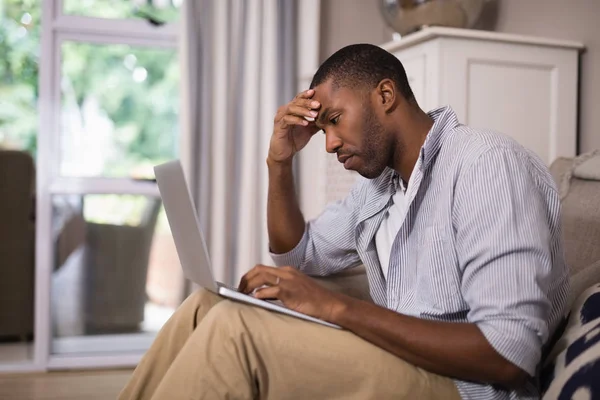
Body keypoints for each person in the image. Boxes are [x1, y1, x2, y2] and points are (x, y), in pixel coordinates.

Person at [119, 44, 568, 400]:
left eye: (335, 121)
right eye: (323, 131)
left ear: (385, 96)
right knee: (207, 309)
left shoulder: (485, 165)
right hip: (402, 363)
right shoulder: (382, 189)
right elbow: (296, 252)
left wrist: (338, 308)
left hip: (464, 389)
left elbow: (509, 352)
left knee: (234, 334)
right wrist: (279, 162)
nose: (330, 143)